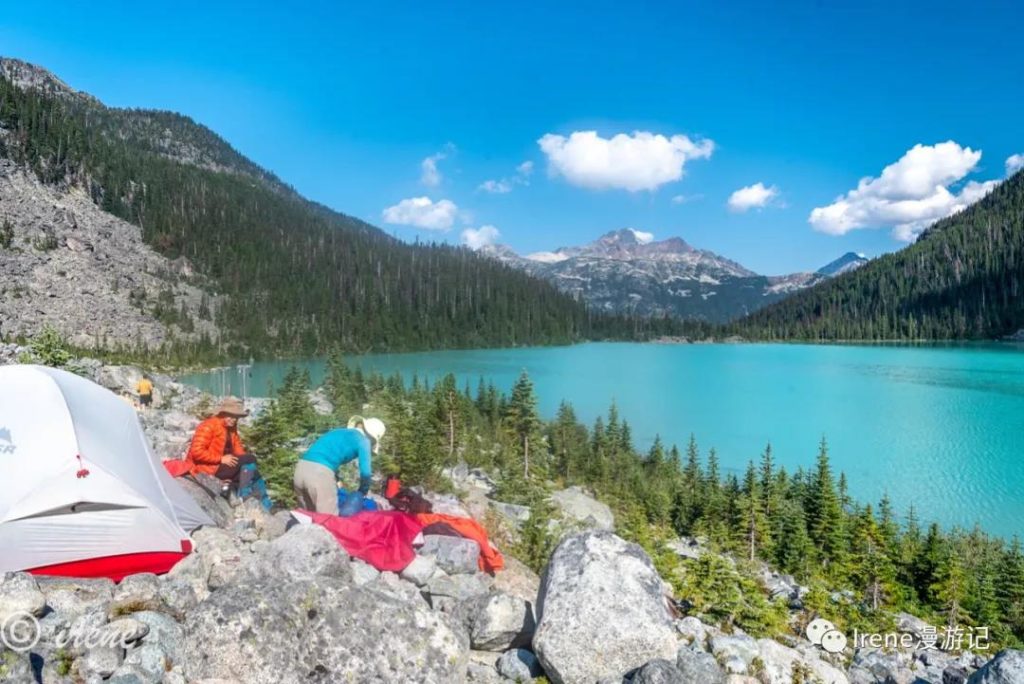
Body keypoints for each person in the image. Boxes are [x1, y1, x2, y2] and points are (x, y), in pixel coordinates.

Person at [185, 397, 271, 509]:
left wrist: (243, 464)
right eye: (231, 416)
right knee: (250, 460)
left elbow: (239, 450)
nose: (234, 419)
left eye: (236, 417)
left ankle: (262, 503)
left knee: (250, 466)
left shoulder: (231, 428)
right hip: (206, 468)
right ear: (223, 413)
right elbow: (196, 452)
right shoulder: (208, 426)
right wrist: (221, 459)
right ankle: (249, 497)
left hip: (220, 466)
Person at [294, 415, 385, 515]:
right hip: (319, 474)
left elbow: (326, 453)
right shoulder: (364, 441)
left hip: (300, 469)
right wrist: (362, 492)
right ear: (372, 437)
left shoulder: (337, 432)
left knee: (306, 515)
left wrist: (336, 479)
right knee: (329, 519)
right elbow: (366, 472)